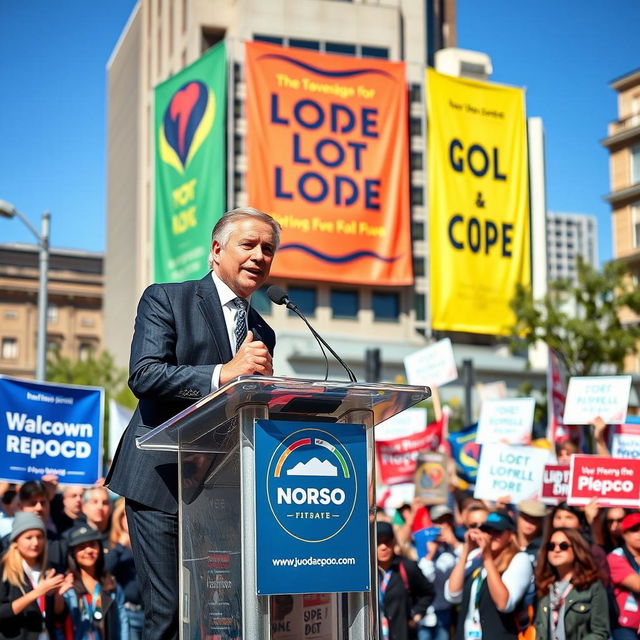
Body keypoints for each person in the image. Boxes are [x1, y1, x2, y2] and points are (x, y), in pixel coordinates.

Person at [105, 207, 280, 640]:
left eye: (269, 249)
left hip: (222, 491)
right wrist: (224, 373)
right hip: (160, 479)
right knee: (166, 615)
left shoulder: (262, 329)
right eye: (249, 244)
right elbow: (144, 374)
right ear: (216, 251)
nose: (260, 255)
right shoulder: (167, 298)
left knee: (216, 615)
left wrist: (267, 398)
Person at [445, 511, 533, 640]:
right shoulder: (474, 557)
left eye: (497, 532)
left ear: (510, 535)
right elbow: (452, 594)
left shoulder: (519, 559)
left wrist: (487, 559)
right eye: (487, 530)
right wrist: (466, 551)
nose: (491, 536)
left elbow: (504, 604)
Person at [0, 512, 68, 639]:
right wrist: (38, 592)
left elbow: (59, 615)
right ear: (16, 541)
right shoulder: (4, 569)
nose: (36, 542)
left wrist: (58, 594)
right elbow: (2, 613)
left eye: (39, 536)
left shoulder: (50, 568)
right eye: (29, 537)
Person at [534, 527, 609, 640]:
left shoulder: (593, 586)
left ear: (577, 549)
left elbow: (600, 632)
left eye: (563, 546)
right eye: (551, 546)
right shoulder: (544, 587)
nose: (556, 550)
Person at [59, 525, 128, 639]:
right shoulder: (67, 585)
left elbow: (122, 620)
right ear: (73, 554)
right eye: (81, 547)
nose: (89, 550)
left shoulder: (110, 583)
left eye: (92, 545)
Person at [377, 521, 435, 640]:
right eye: (378, 543)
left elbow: (428, 592)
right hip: (375, 633)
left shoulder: (406, 566)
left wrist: (417, 614)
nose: (383, 547)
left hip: (403, 633)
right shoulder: (366, 572)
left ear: (393, 543)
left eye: (387, 542)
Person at [417, 505, 460, 640]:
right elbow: (425, 581)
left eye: (447, 521)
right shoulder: (420, 544)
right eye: (439, 522)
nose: (444, 526)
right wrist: (430, 555)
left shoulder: (454, 549)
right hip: (424, 612)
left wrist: (454, 543)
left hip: (444, 610)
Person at [106, 499, 143, 640]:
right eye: (127, 516)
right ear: (120, 520)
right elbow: (106, 568)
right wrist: (121, 545)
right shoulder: (114, 546)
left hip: (147, 612)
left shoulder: (144, 545)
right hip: (127, 612)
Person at [549, 502, 610, 584]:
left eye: (569, 518)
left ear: (580, 524)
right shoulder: (547, 549)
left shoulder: (593, 551)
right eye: (558, 518)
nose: (562, 522)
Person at [608, 511, 640, 640]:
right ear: (623, 534)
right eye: (634, 530)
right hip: (624, 628)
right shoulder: (615, 557)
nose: (639, 534)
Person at [516, 500, 546, 565]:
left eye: (535, 519)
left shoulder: (544, 549)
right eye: (526, 518)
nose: (529, 523)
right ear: (518, 517)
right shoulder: (507, 542)